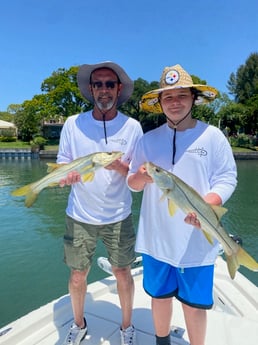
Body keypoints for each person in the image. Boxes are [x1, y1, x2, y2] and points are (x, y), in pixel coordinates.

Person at [127, 64, 237, 345]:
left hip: (197, 239)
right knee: (159, 297)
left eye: (181, 96)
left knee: (193, 305)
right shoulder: (147, 140)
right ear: (160, 103)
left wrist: (210, 204)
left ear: (193, 99)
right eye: (168, 97)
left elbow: (227, 177)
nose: (174, 103)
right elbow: (132, 183)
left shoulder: (213, 137)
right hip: (156, 239)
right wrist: (140, 177)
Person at [58, 61, 143, 345]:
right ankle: (79, 324)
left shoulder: (132, 127)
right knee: (78, 275)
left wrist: (120, 168)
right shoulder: (73, 123)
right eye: (98, 84)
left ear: (119, 90)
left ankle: (127, 327)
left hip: (119, 214)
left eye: (109, 84)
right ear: (90, 89)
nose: (104, 90)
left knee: (123, 272)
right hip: (80, 214)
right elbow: (63, 162)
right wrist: (65, 176)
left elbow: (140, 177)